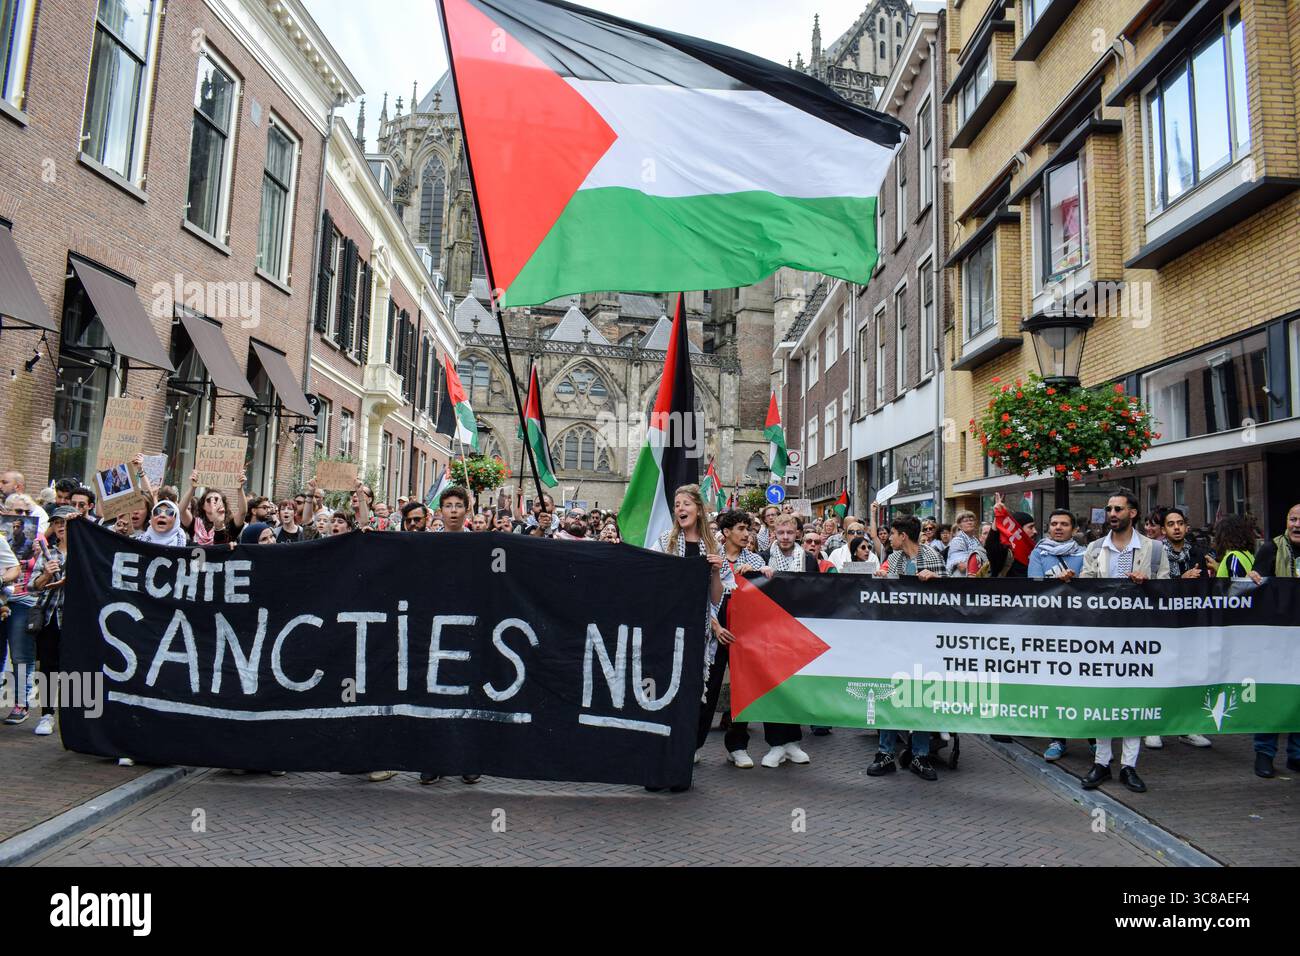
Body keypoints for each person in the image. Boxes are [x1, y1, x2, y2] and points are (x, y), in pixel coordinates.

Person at [1078, 491, 1168, 793]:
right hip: (1103, 636)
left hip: (1138, 636)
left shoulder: (1154, 549)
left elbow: (1167, 592)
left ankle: (1129, 765)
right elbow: (1084, 588)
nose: (1112, 513)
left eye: (1118, 508)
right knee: (1103, 698)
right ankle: (1102, 762)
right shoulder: (1093, 548)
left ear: (1133, 513)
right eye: (1109, 509)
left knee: (1133, 698)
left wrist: (1149, 584)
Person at [868, 515, 947, 781]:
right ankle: (886, 753)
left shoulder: (931, 556)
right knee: (890, 692)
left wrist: (936, 578)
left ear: (903, 535)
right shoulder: (896, 559)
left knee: (922, 694)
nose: (888, 538)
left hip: (924, 638)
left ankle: (919, 755)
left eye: (892, 534)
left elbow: (950, 592)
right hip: (896, 636)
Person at [1251, 501, 1300, 777]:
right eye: (1292, 519)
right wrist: (1254, 579)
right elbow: (1255, 587)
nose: (1297, 524)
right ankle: (1265, 754)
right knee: (1273, 696)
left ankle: (1296, 754)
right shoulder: (1271, 549)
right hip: (1276, 637)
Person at [29, 507, 77, 738]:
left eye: (65, 523)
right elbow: (32, 586)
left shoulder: (84, 552)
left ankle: (72, 717)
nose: (60, 526)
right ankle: (47, 714)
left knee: (74, 669)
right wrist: (47, 575)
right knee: (48, 667)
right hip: (50, 619)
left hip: (76, 620)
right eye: (57, 522)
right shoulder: (48, 554)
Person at [1162, 507, 1212, 578]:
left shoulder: (1198, 554)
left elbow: (1205, 585)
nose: (1176, 527)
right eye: (1171, 524)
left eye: (1180, 523)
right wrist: (1182, 579)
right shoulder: (1158, 554)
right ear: (1163, 530)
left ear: (1186, 527)